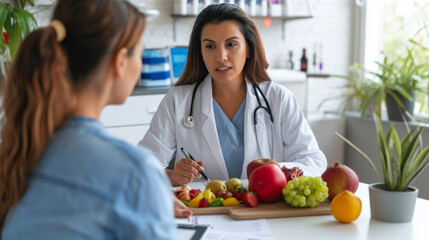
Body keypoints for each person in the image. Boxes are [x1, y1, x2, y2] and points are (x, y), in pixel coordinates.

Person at [0, 0, 188, 239]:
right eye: (140, 54)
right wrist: (145, 196)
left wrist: (144, 200)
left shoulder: (18, 152)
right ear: (120, 62)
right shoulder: (133, 171)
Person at [139, 3, 327, 186]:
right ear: (201, 52)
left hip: (265, 209)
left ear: (249, 49)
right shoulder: (177, 101)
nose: (221, 56)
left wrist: (278, 169)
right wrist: (173, 176)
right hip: (204, 212)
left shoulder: (278, 98)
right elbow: (141, 167)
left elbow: (314, 160)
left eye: (231, 44)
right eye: (210, 46)